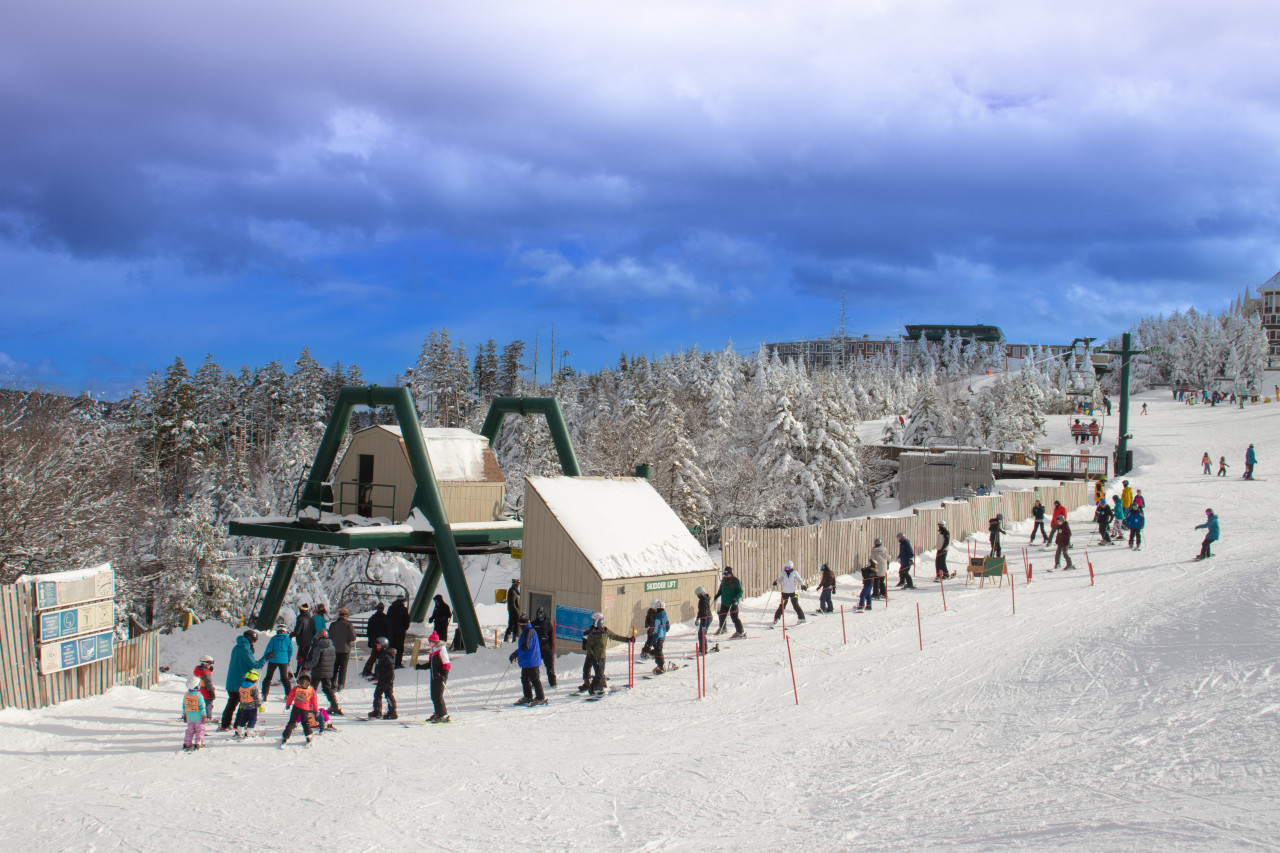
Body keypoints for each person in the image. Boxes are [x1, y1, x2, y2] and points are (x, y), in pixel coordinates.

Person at [220, 630, 265, 731]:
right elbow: (255, 665)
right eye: (253, 641)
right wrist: (265, 658)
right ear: (250, 639)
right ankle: (238, 725)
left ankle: (225, 724)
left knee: (231, 703)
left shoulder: (236, 647)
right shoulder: (245, 650)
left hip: (231, 682)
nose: (253, 644)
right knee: (244, 705)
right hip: (241, 683)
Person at [578, 612, 633, 696]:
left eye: (594, 620)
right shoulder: (592, 632)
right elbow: (588, 646)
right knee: (587, 668)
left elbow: (615, 636)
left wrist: (627, 639)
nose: (593, 622)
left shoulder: (605, 631)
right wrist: (591, 655)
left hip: (601, 656)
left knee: (599, 673)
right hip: (592, 655)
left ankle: (597, 687)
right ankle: (588, 684)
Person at [509, 615, 547, 705]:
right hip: (527, 661)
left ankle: (540, 697)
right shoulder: (527, 631)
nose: (520, 626)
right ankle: (528, 696)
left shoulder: (529, 631)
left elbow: (526, 646)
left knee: (534, 679)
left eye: (520, 624)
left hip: (532, 660)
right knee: (524, 679)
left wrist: (516, 653)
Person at [303, 629, 342, 716]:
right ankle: (335, 706)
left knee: (312, 689)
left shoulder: (318, 647)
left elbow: (314, 662)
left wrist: (305, 664)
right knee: (327, 688)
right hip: (328, 672)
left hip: (317, 672)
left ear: (319, 637)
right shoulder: (332, 647)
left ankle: (309, 706)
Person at [281, 673, 318, 747]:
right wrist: (315, 709)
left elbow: (290, 696)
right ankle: (308, 736)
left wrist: (288, 704)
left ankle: (285, 737)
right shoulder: (311, 689)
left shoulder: (296, 688)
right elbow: (314, 700)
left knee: (292, 722)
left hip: (296, 707)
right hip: (305, 708)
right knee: (305, 723)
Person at [368, 637, 398, 719]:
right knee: (388, 693)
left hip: (386, 676)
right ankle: (391, 711)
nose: (377, 647)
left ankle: (378, 711)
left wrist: (382, 676)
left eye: (378, 645)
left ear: (383, 646)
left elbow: (388, 668)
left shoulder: (386, 655)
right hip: (385, 676)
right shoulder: (382, 654)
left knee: (378, 693)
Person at [329, 607, 357, 691]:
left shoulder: (333, 624)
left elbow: (330, 635)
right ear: (346, 615)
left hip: (334, 648)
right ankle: (341, 684)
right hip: (345, 649)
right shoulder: (349, 625)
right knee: (343, 668)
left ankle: (332, 683)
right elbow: (353, 638)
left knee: (334, 667)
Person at [772, 561, 807, 625]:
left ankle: (802, 618)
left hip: (793, 592)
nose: (786, 569)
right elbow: (780, 580)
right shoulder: (783, 573)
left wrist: (803, 585)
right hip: (785, 592)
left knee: (795, 605)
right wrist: (776, 583)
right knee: (782, 605)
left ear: (791, 567)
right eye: (785, 567)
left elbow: (799, 579)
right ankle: (776, 618)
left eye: (788, 568)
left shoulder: (794, 572)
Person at [426, 631, 451, 722]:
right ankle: (437, 713)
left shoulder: (441, 650)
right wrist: (420, 666)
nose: (429, 644)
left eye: (431, 642)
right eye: (429, 641)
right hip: (434, 676)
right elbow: (430, 664)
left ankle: (443, 715)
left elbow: (447, 663)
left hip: (440, 676)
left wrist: (444, 675)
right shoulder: (432, 651)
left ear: (436, 643)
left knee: (438, 695)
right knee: (433, 695)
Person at [713, 567, 745, 638]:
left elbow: (740, 591)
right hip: (724, 602)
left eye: (727, 574)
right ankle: (723, 628)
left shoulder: (736, 581)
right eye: (724, 574)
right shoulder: (724, 580)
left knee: (734, 617)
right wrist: (718, 594)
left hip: (733, 603)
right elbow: (721, 588)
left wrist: (736, 598)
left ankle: (740, 631)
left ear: (730, 573)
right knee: (721, 616)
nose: (725, 576)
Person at [530, 607, 557, 688]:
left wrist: (551, 648)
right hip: (536, 649)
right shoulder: (534, 624)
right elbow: (530, 636)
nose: (540, 616)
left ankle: (553, 682)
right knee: (535, 667)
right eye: (539, 614)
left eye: (542, 614)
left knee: (550, 666)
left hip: (546, 648)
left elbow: (551, 636)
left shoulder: (548, 624)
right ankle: (535, 683)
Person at [362, 602, 390, 678]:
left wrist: (371, 640)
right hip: (383, 641)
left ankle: (367, 670)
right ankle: (378, 672)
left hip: (375, 641)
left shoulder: (373, 618)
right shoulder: (385, 618)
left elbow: (369, 631)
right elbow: (388, 630)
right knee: (381, 657)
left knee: (373, 656)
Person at [232, 669, 262, 740]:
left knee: (243, 718)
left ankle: (239, 730)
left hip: (244, 705)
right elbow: (256, 698)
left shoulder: (241, 686)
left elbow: (241, 696)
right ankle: (250, 731)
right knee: (252, 719)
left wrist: (242, 704)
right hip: (252, 707)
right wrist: (259, 706)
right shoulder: (253, 688)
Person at [182, 677, 208, 751]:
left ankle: (187, 743)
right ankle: (199, 742)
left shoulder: (186, 695)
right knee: (200, 730)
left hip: (189, 717)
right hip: (198, 717)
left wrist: (185, 714)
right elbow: (202, 707)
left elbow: (184, 706)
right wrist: (204, 716)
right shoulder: (199, 696)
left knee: (190, 731)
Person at [292, 604, 316, 677]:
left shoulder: (300, 618)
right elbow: (314, 631)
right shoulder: (311, 619)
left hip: (302, 641)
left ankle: (299, 673)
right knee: (305, 657)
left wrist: (291, 635)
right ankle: (303, 672)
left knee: (300, 658)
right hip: (309, 642)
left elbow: (297, 631)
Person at [387, 596, 411, 668]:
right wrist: (405, 628)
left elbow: (387, 618)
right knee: (400, 648)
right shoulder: (404, 609)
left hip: (391, 631)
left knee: (391, 647)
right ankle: (398, 663)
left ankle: (390, 661)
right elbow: (407, 620)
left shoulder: (391, 608)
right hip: (400, 631)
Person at [648, 601, 670, 674]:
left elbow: (656, 629)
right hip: (662, 636)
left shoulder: (658, 617)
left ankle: (661, 666)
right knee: (658, 650)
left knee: (658, 651)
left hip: (658, 637)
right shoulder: (665, 615)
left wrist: (654, 638)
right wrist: (664, 631)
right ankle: (660, 664)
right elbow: (668, 626)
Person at [193, 655, 216, 723]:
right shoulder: (206, 673)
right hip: (206, 691)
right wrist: (212, 693)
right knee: (208, 704)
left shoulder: (197, 669)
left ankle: (199, 716)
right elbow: (208, 683)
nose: (210, 665)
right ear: (204, 664)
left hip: (200, 690)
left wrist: (208, 670)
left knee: (200, 704)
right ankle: (208, 717)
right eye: (209, 664)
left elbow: (201, 676)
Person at [695, 586, 714, 652]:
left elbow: (705, 613)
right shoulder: (701, 600)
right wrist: (697, 618)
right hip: (704, 618)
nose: (698, 596)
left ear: (702, 593)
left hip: (706, 618)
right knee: (700, 633)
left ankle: (703, 649)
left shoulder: (704, 601)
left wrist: (704, 625)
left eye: (699, 594)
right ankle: (702, 648)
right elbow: (700, 611)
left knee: (702, 633)